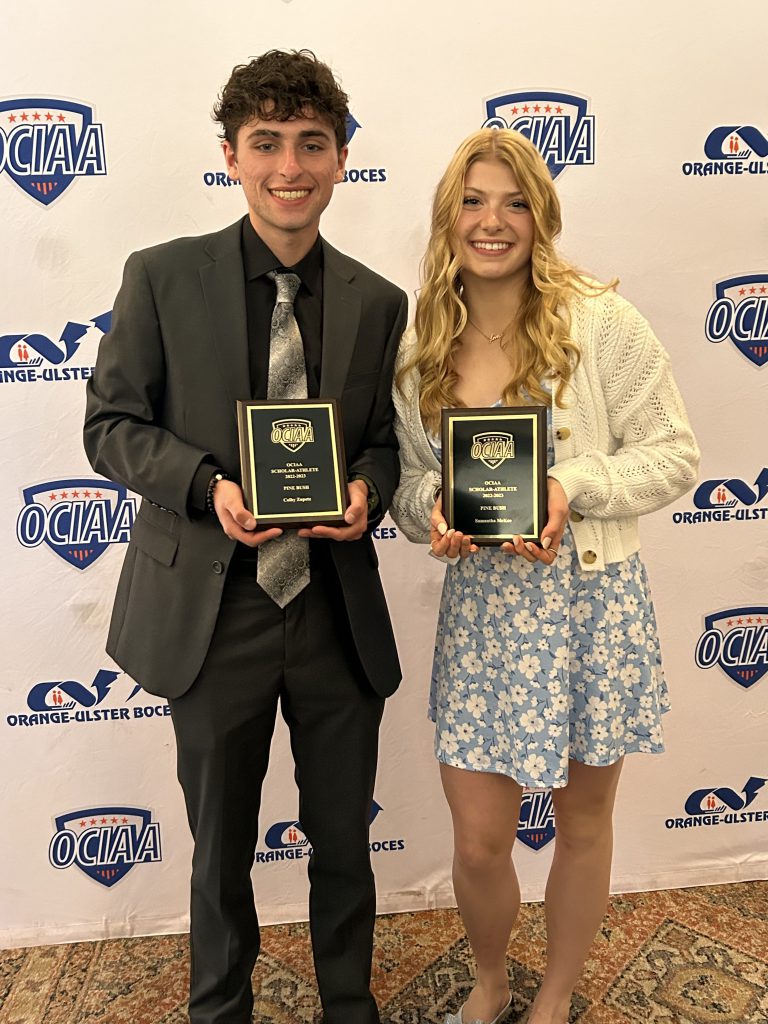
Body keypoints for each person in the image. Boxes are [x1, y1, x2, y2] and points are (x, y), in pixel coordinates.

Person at [84, 50, 407, 1024]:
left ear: (342, 158)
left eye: (312, 143)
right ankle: (219, 1008)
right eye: (266, 143)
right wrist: (207, 485)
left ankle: (348, 1004)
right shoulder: (160, 279)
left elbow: (389, 444)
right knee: (220, 842)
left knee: (344, 840)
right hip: (211, 609)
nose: (289, 166)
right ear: (231, 155)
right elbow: (110, 427)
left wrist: (367, 491)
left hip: (332, 611)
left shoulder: (378, 301)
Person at [390, 128, 699, 1024]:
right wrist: (434, 513)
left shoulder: (601, 319)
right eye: (474, 202)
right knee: (483, 843)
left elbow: (675, 453)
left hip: (593, 602)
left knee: (584, 825)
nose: (494, 222)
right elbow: (413, 483)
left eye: (515, 201)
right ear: (449, 218)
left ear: (543, 214)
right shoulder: (422, 342)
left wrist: (572, 482)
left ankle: (555, 996)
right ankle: (491, 981)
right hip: (486, 614)